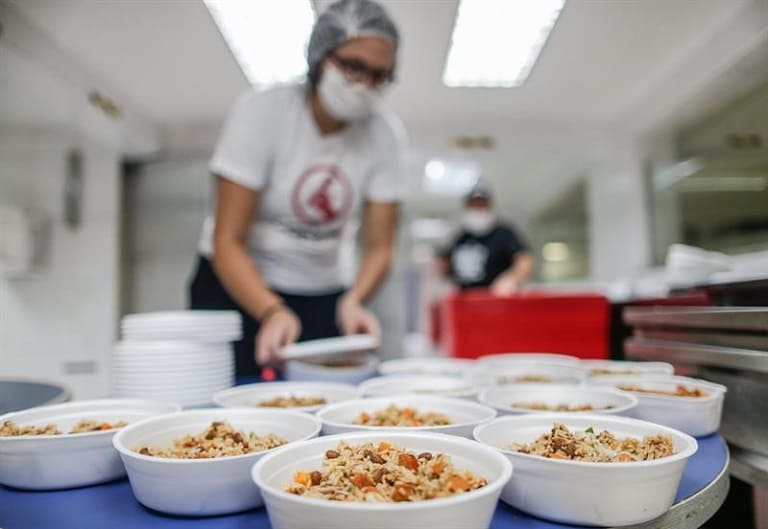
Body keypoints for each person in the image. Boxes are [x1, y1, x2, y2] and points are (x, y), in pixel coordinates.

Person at [188, 0, 405, 376]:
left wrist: (355, 300)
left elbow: (380, 246)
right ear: (320, 57)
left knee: (320, 398)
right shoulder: (262, 113)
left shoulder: (384, 135)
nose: (364, 84)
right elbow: (228, 240)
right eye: (353, 66)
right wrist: (270, 310)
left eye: (379, 75)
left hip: (322, 292)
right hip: (235, 285)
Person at [439, 184, 535, 295]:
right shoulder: (461, 237)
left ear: (489, 206)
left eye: (481, 204)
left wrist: (511, 279)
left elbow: (525, 260)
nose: (477, 209)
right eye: (473, 205)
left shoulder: (504, 234)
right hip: (465, 300)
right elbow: (446, 265)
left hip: (496, 301)